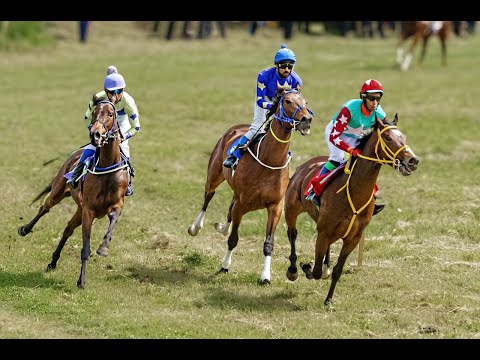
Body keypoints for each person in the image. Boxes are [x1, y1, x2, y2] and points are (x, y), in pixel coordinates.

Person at [305, 78, 387, 215]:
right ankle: (314, 189)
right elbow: (334, 136)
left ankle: (371, 198)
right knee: (337, 159)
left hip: (355, 137)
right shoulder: (349, 109)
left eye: (378, 99)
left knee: (365, 163)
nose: (375, 103)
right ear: (363, 97)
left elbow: (386, 131)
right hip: (336, 133)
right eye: (372, 98)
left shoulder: (379, 113)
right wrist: (349, 150)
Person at [223, 44, 302, 169]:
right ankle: (234, 155)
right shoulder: (264, 76)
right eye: (283, 66)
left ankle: (283, 155)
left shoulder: (296, 80)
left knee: (286, 130)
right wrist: (274, 106)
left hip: (282, 105)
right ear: (276, 65)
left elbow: (295, 101)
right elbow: (260, 100)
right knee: (256, 128)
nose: (287, 69)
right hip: (265, 101)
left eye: (290, 66)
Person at [66, 66, 141, 196]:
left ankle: (127, 182)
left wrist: (123, 137)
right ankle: (75, 174)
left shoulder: (128, 102)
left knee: (123, 146)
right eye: (112, 92)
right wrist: (94, 132)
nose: (116, 95)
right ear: (106, 91)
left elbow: (136, 127)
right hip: (102, 121)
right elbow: (87, 117)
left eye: (120, 91)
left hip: (121, 121)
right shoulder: (98, 99)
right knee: (93, 146)